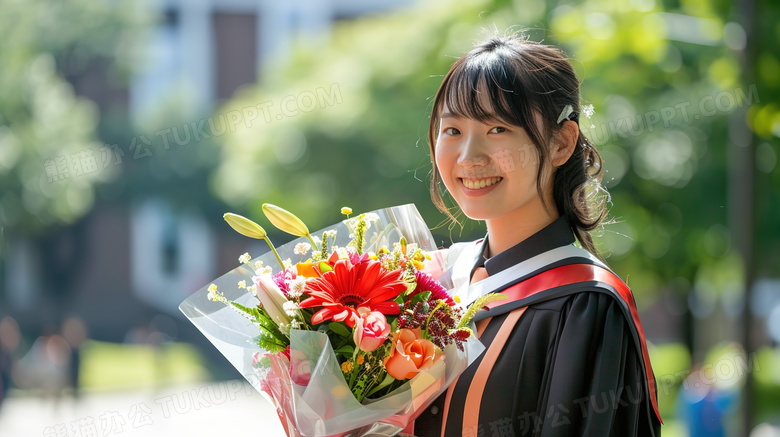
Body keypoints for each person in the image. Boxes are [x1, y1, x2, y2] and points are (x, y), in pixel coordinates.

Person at [407, 29, 663, 436]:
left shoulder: (585, 305)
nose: (469, 156)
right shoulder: (430, 284)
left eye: (498, 130)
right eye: (452, 130)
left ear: (561, 143)